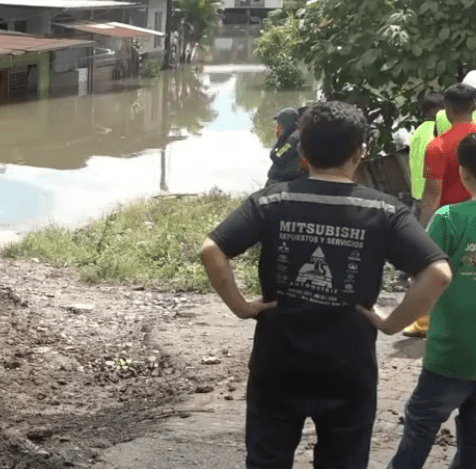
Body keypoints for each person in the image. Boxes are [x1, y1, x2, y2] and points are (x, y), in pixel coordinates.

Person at [199, 100, 451, 469]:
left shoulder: (270, 201)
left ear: (302, 151)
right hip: (348, 367)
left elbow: (212, 250)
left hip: (277, 362)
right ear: (360, 152)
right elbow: (438, 273)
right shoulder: (384, 212)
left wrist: (242, 307)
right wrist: (391, 323)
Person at [386, 132, 476, 468]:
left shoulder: (449, 219)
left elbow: (423, 274)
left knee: (421, 424)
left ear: (464, 174)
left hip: (450, 351)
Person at [410, 83, 476, 337]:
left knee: (446, 277)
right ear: (473, 106)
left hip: (450, 223)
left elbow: (432, 195)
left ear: (447, 110)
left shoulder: (438, 146)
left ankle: (431, 324)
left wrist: (421, 229)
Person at [266, 107, 305, 186]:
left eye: (279, 124)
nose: (278, 127)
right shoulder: (294, 136)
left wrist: (279, 140)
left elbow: (277, 156)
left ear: (285, 124)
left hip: (284, 183)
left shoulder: (294, 138)